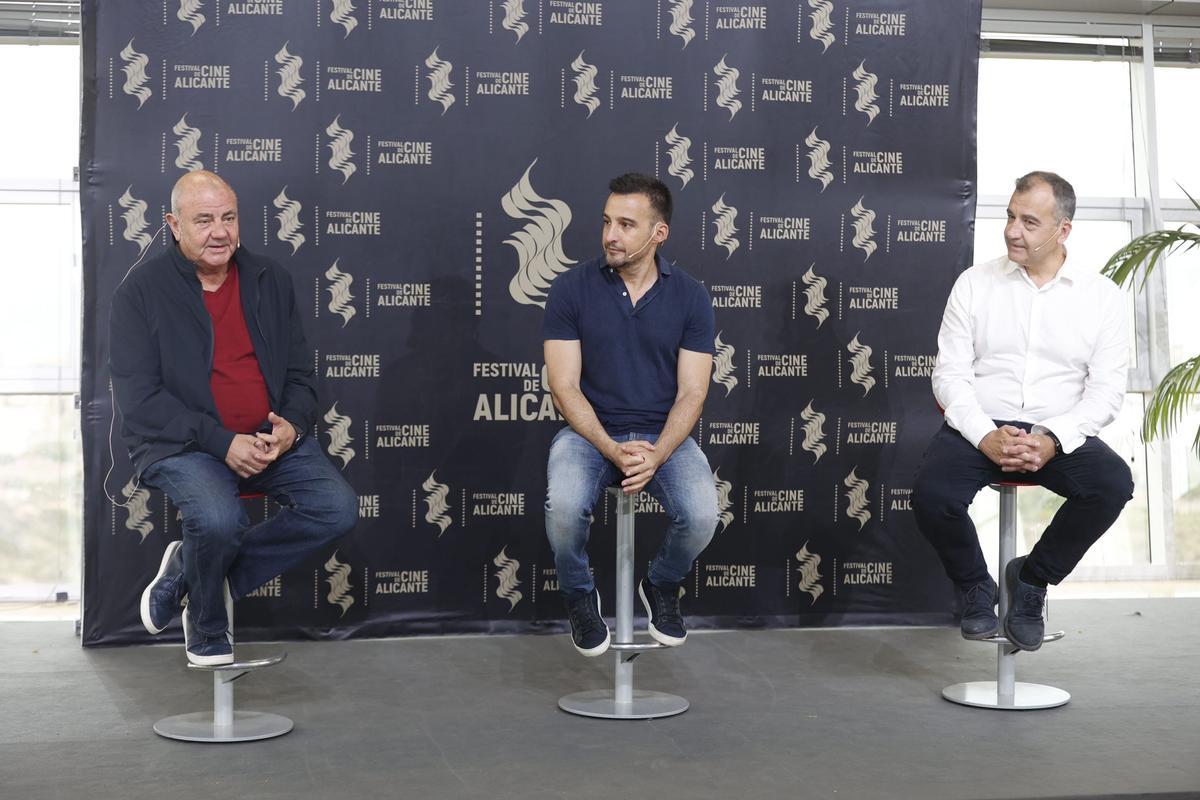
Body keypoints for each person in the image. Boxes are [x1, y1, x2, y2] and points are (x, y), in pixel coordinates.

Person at [110, 170, 357, 665]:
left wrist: (290, 426)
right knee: (219, 520)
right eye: (203, 220)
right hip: (183, 444)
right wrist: (222, 441)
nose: (219, 232)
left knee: (337, 508)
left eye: (228, 217)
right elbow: (140, 399)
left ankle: (191, 570)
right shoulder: (139, 292)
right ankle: (206, 627)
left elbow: (300, 374)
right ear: (174, 225)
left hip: (267, 439)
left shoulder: (271, 279)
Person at [912, 171, 1133, 650]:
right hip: (980, 424)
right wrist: (983, 434)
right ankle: (975, 587)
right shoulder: (974, 283)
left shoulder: (1102, 299)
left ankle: (1032, 580)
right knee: (931, 495)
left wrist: (1053, 439)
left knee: (1113, 485)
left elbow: (1107, 391)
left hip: (1059, 430)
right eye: (1010, 217)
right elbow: (949, 375)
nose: (1013, 230)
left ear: (1063, 230)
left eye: (1030, 222)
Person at [542, 172, 719, 657]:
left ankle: (662, 583)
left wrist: (657, 453)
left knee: (703, 515)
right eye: (606, 222)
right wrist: (611, 448)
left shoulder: (690, 296)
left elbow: (692, 392)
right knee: (563, 509)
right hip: (588, 434)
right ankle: (579, 596)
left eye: (625, 224)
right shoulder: (571, 289)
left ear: (658, 233)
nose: (610, 235)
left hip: (664, 436)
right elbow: (563, 386)